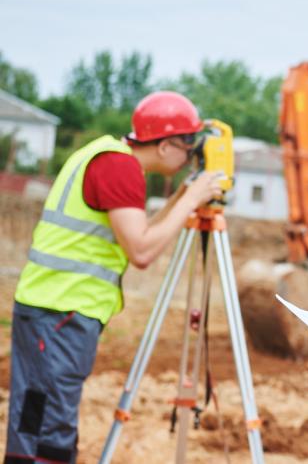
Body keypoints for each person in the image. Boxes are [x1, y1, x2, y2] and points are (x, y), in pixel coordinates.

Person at [4, 91, 223, 463]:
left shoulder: (104, 154)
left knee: (34, 419)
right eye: (188, 148)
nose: (190, 157)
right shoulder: (119, 168)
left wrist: (185, 195)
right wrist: (191, 199)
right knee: (47, 428)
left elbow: (138, 233)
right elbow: (141, 251)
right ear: (167, 145)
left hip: (49, 309)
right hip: (62, 314)